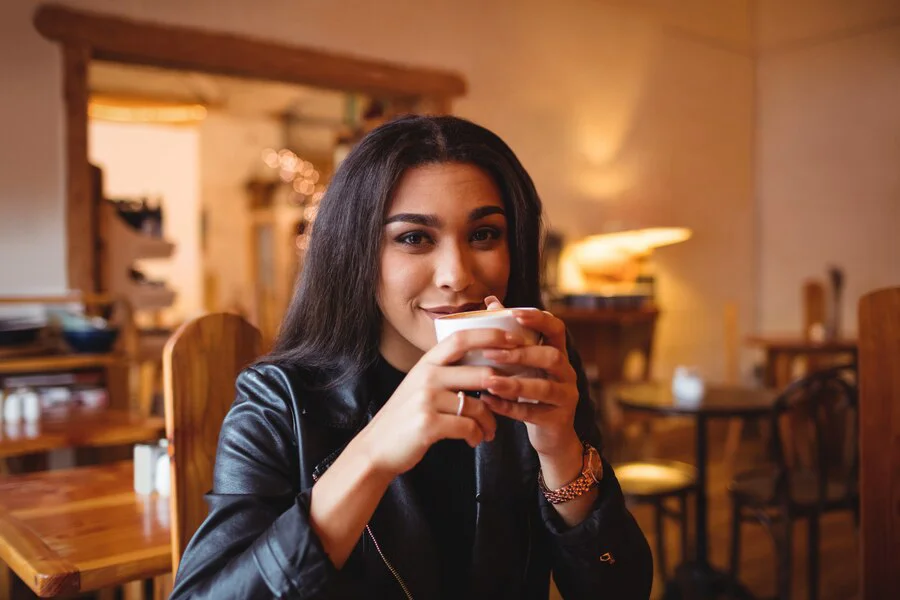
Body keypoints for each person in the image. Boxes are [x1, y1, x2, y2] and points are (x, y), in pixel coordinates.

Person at [170, 115, 652, 599]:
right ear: (356, 252)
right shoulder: (279, 401)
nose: (456, 275)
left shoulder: (537, 367)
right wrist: (373, 453)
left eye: (484, 234)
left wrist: (561, 452)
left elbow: (620, 590)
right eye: (414, 238)